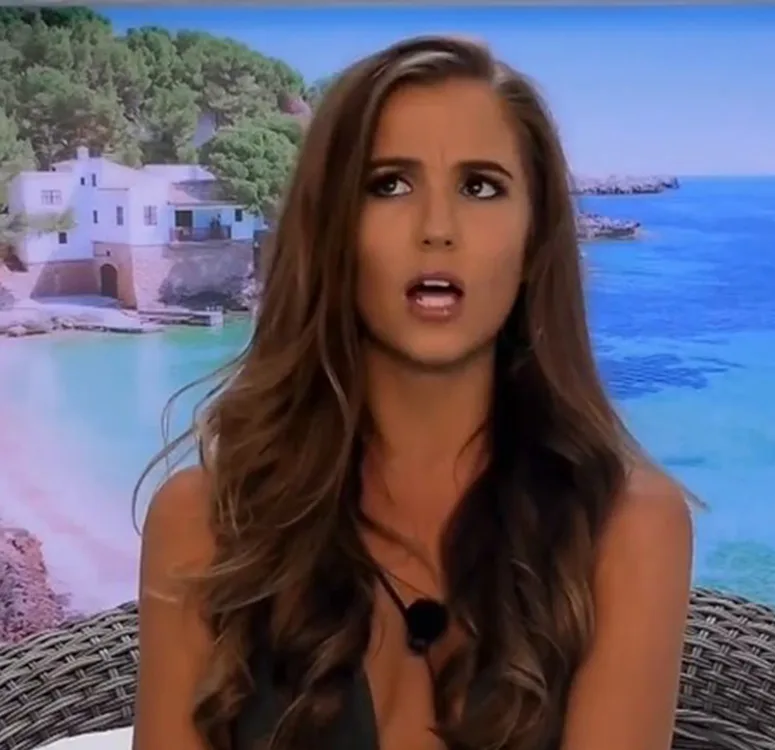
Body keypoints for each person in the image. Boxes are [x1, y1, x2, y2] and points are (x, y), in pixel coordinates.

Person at [133, 35, 694, 750]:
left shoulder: (629, 530)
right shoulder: (204, 526)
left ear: (533, 245)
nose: (437, 230)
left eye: (481, 186)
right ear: (333, 231)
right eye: (389, 184)